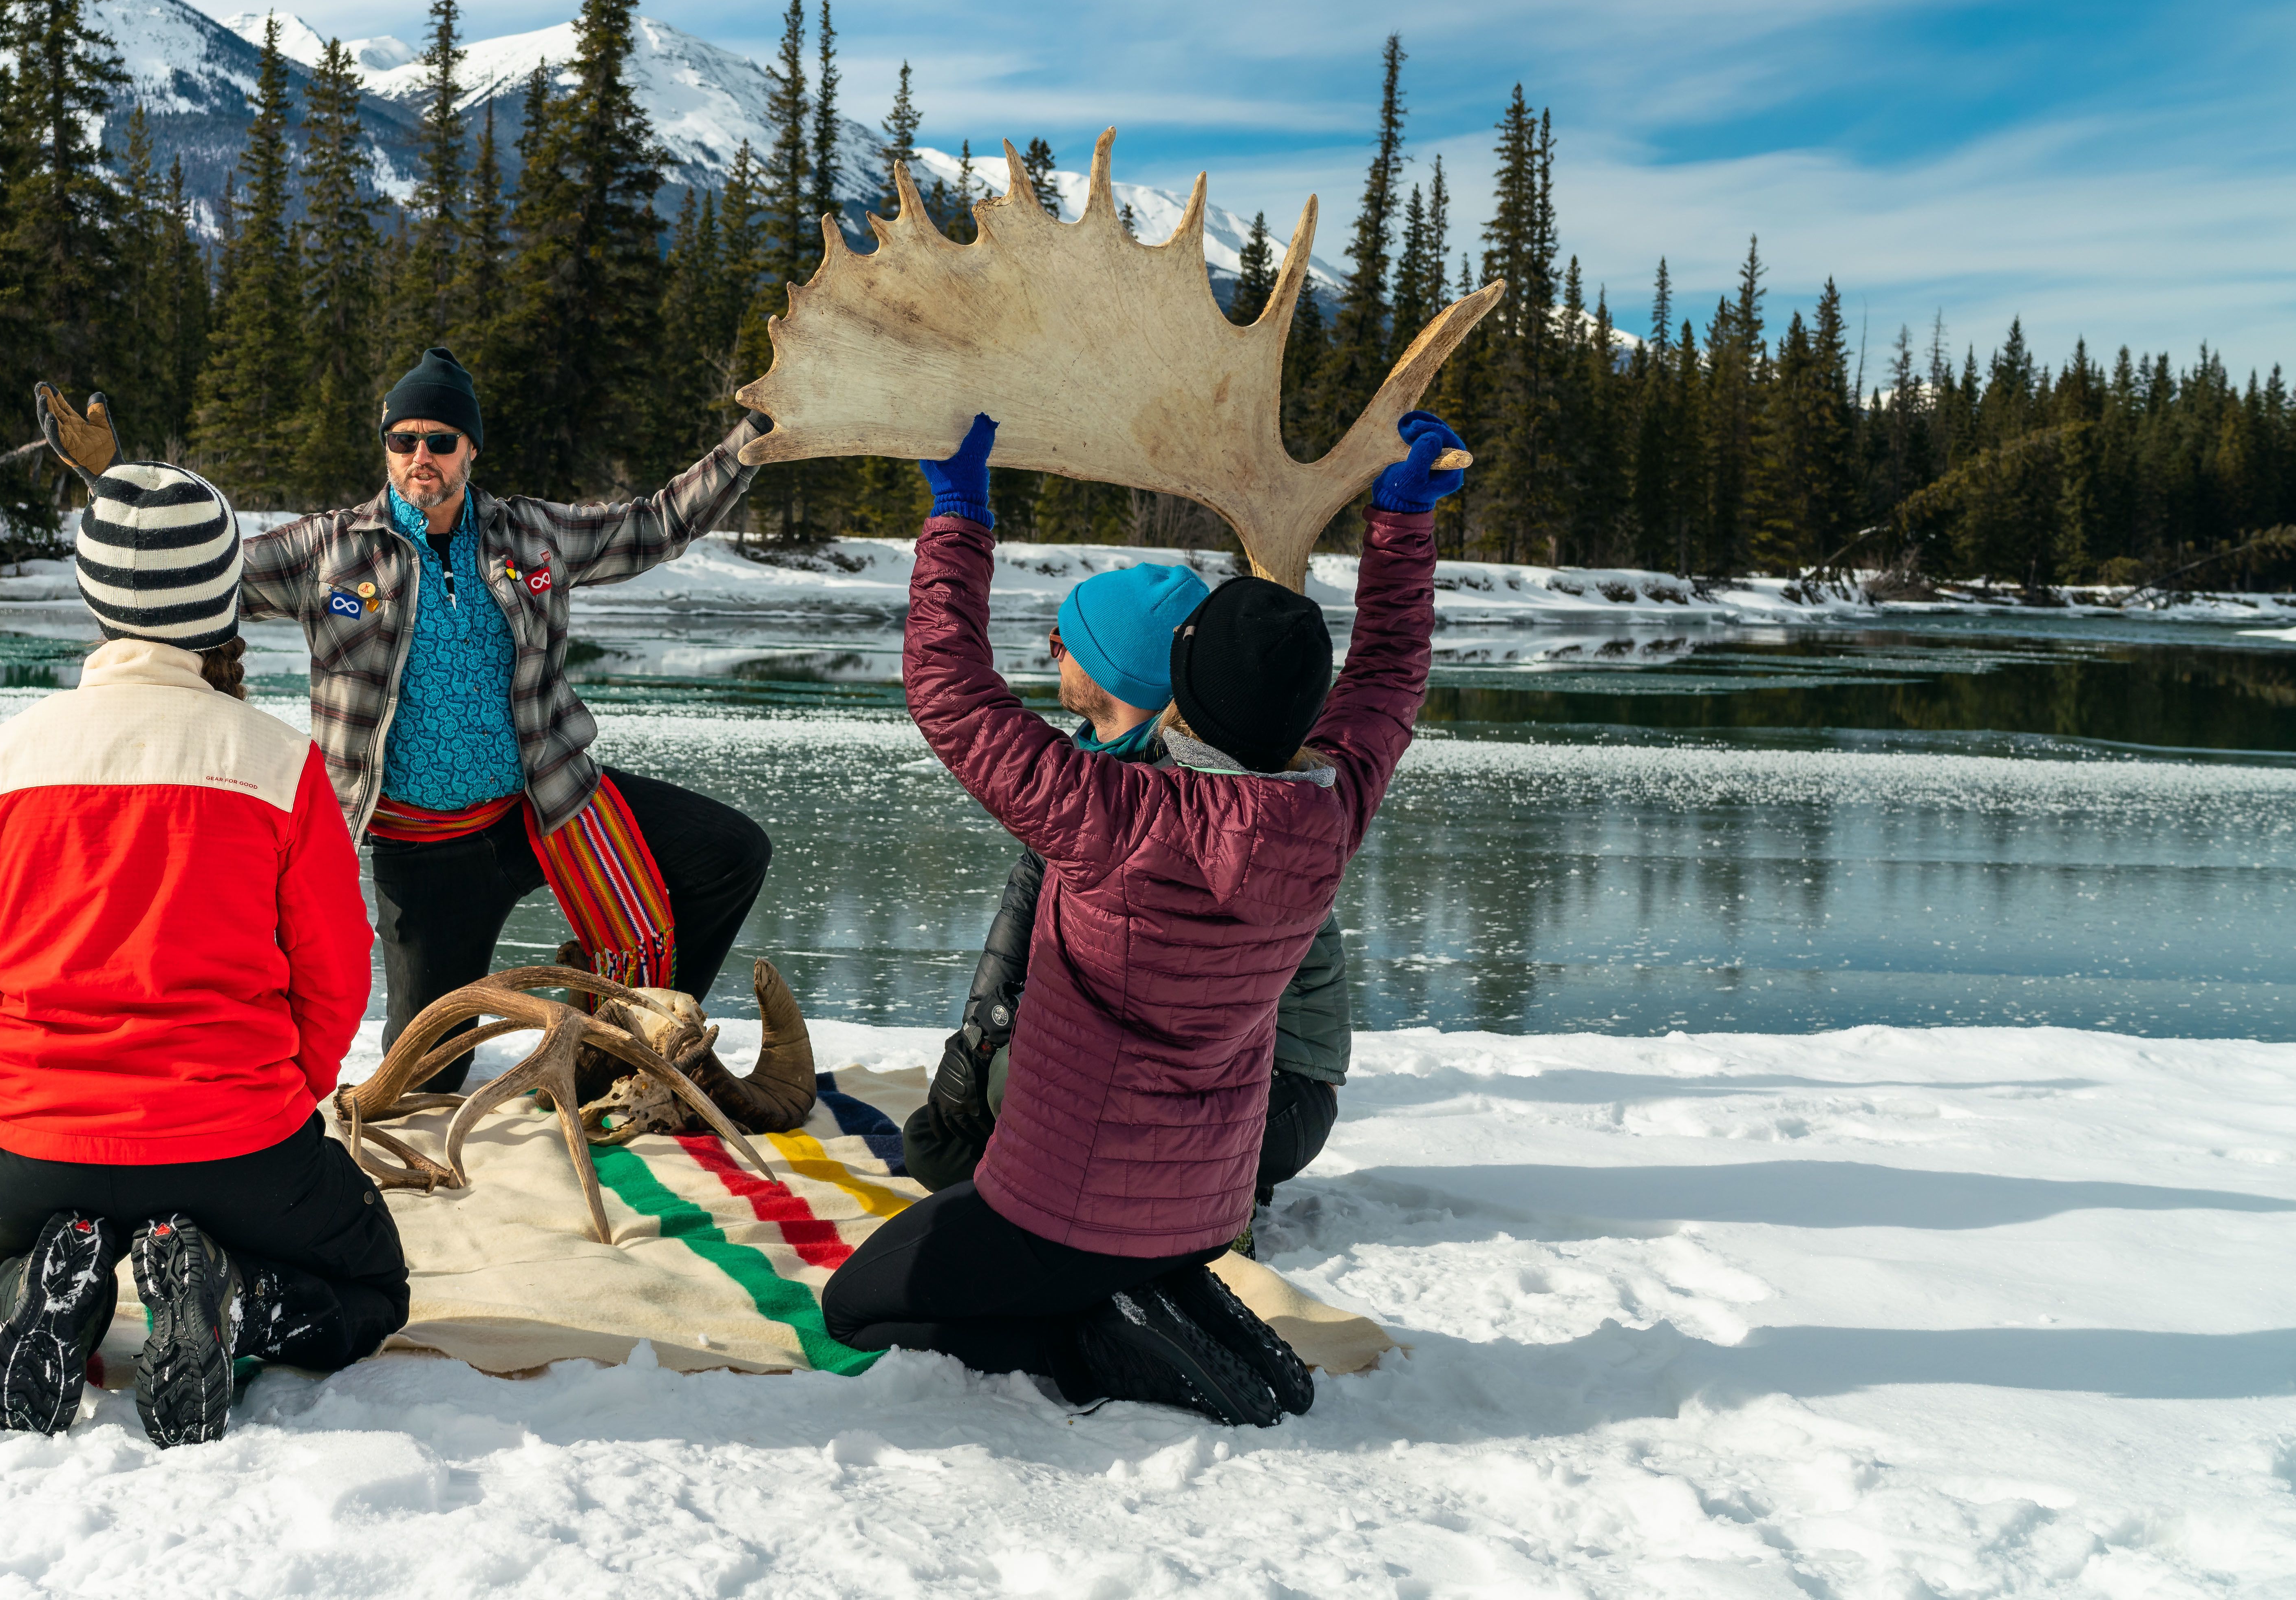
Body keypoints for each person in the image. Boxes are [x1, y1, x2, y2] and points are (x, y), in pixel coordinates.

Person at [823, 408, 1464, 1425]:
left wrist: (959, 515)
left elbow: (949, 692)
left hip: (1064, 1202)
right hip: (1203, 1200)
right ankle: (1159, 1287)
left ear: (1183, 700)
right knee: (932, 1241)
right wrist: (1405, 527)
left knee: (854, 1307)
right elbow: (1389, 676)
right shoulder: (1330, 807)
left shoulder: (1110, 811)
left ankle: (1102, 1339)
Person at [0, 457, 408, 1448]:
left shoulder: (0, 760)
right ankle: (233, 1299)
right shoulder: (278, 763)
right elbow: (337, 973)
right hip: (238, 1145)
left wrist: (33, 1074)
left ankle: (48, 1290)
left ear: (94, 593)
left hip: (41, 1149)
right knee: (369, 1286)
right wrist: (276, 1087)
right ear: (222, 596)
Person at [240, 346, 773, 1078]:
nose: (420, 456)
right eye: (403, 440)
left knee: (731, 853)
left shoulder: (531, 535)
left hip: (542, 807)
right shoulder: (327, 551)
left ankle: (630, 1052)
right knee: (428, 1074)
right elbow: (202, 579)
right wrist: (112, 488)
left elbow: (657, 525)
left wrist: (757, 438)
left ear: (471, 450)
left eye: (440, 441)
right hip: (424, 850)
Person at [903, 558, 1355, 1240]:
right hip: (1243, 1091)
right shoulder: (1124, 778)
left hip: (1269, 1098)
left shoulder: (1159, 804)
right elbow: (1024, 926)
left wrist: (993, 1057)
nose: (1052, 649)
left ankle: (1188, 1201)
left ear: (1116, 673)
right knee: (953, 1134)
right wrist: (977, 1039)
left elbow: (951, 693)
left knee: (1005, 1107)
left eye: (1067, 641)